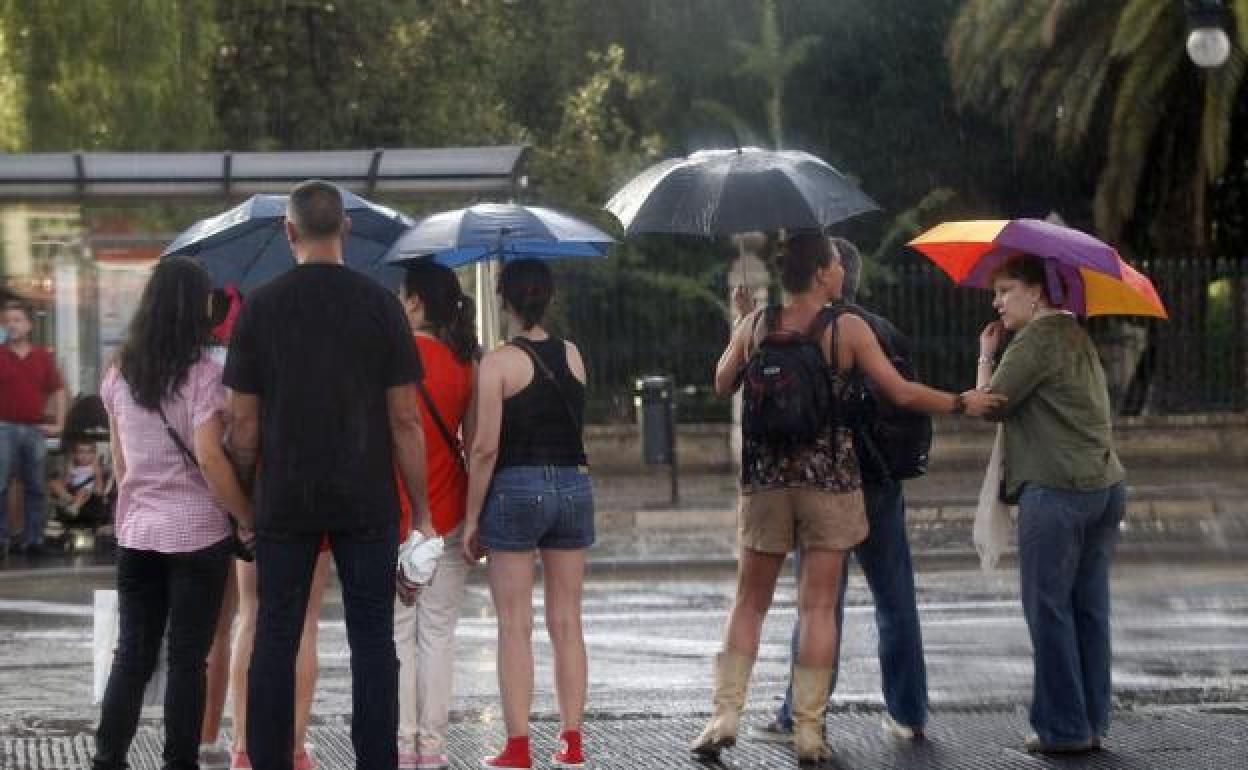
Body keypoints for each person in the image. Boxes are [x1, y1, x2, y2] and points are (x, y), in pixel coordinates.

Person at [695, 231, 1003, 764]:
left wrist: (740, 323)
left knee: (749, 603)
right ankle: (810, 731)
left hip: (766, 482)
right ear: (821, 274)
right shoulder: (847, 328)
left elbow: (724, 382)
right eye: (835, 261)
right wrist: (961, 402)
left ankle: (725, 714)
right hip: (830, 483)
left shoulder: (756, 324)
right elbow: (900, 393)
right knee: (819, 607)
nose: (841, 267)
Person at [225, 180, 433, 770]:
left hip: (285, 497)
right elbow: (404, 419)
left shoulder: (260, 308)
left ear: (289, 233)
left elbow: (242, 425)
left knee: (275, 636)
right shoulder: (381, 307)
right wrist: (420, 512)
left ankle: (269, 761)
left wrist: (244, 495)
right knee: (373, 642)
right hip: (366, 498)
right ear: (344, 229)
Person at [752, 237, 930, 744]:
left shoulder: (806, 331)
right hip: (881, 480)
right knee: (895, 599)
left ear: (827, 274)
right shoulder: (885, 330)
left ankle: (801, 713)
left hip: (827, 482)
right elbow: (906, 401)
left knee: (818, 605)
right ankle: (908, 710)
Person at [91, 256, 255, 770]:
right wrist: (245, 515)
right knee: (188, 658)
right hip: (197, 536)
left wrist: (137, 501)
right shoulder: (204, 376)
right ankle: (178, 762)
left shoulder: (118, 373)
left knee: (132, 656)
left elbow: (120, 462)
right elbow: (209, 458)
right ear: (195, 308)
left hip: (137, 532)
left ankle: (107, 758)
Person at [976, 254, 1126, 754]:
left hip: (1057, 491)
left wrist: (985, 354)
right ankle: (1091, 720)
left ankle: (1063, 729)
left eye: (1006, 289)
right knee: (1088, 608)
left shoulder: (1038, 338)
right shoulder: (1075, 333)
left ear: (1036, 292)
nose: (997, 301)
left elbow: (989, 403)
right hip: (1103, 485)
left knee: (1049, 610)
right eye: (996, 292)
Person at [462, 258, 594, 770]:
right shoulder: (575, 356)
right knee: (568, 621)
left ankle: (518, 748)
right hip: (575, 486)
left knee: (515, 624)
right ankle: (572, 742)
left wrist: (474, 520)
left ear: (505, 301)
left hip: (517, 488)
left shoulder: (497, 364)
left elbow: (484, 449)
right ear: (550, 299)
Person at [199, 286, 329, 770]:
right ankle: (294, 748)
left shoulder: (242, 370)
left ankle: (244, 748)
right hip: (313, 498)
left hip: (260, 497)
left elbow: (238, 436)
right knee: (306, 621)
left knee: (251, 617)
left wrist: (245, 503)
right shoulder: (318, 367)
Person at [393, 259, 479, 770]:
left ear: (417, 303)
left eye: (404, 297)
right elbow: (472, 441)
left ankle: (403, 747)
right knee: (439, 635)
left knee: (399, 635)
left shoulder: (391, 359)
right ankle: (432, 749)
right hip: (450, 513)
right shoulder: (467, 362)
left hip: (397, 513)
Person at [0, 299, 67, 557]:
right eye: (7, 321)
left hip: (34, 429)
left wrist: (60, 423)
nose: (11, 326)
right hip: (3, 428)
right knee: (1, 485)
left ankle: (34, 539)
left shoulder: (42, 356)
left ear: (28, 325)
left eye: (17, 320)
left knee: (36, 486)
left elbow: (58, 390)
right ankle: (2, 539)